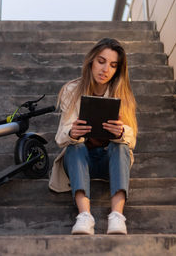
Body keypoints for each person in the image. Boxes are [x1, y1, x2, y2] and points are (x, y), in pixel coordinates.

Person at [48, 38, 137, 235]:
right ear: (91, 62)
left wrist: (121, 132)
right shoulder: (72, 90)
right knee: (74, 146)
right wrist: (72, 132)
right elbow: (60, 137)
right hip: (81, 160)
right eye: (101, 61)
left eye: (113, 65)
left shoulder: (122, 93)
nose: (105, 69)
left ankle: (117, 216)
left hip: (109, 161)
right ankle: (84, 216)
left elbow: (132, 139)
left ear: (117, 70)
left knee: (121, 146)